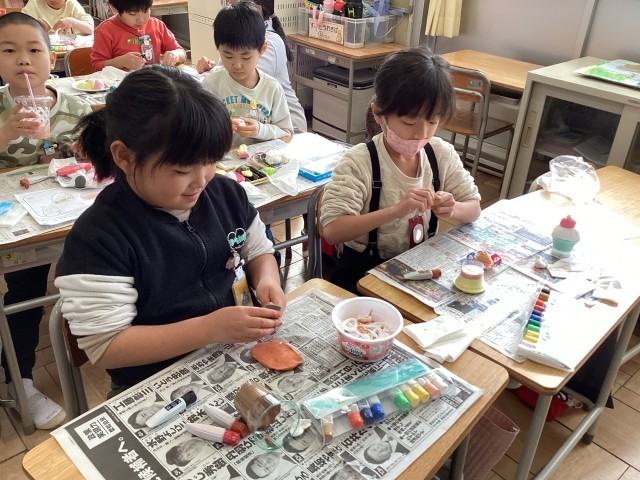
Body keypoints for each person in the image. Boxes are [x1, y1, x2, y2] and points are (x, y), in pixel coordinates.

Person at [54, 65, 285, 395]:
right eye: (181, 170)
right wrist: (209, 329)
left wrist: (267, 281)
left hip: (231, 355)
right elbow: (107, 346)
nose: (201, 180)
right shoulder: (99, 238)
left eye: (211, 161)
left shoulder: (225, 195)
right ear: (124, 157)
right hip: (152, 384)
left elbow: (259, 251)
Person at [320, 47, 482, 294]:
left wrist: (453, 208)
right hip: (364, 273)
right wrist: (394, 211)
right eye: (409, 122)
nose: (421, 133)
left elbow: (474, 208)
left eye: (432, 121)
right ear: (378, 113)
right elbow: (332, 230)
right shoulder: (360, 162)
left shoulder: (440, 154)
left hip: (420, 265)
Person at [0, 12, 92, 430]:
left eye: (34, 50)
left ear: (51, 59)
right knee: (26, 289)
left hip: (71, 212)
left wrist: (86, 150)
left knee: (104, 270)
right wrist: (5, 133)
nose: (23, 60)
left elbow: (100, 155)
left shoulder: (73, 105)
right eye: (9, 51)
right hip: (18, 224)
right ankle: (20, 380)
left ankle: (110, 343)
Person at [196, 0, 307, 134]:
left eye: (246, 57)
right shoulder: (210, 85)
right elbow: (201, 128)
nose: (237, 65)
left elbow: (286, 131)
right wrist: (220, 127)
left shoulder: (271, 87)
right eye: (228, 56)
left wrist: (260, 130)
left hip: (279, 137)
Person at [90, 0, 185, 72]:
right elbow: (97, 66)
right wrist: (121, 62)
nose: (141, 20)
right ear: (113, 8)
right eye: (133, 14)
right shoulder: (105, 31)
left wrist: (175, 54)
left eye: (145, 11)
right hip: (122, 85)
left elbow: (181, 53)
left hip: (154, 81)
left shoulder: (157, 25)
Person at [22, 0, 94, 34]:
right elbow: (20, 31)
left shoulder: (72, 4)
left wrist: (72, 21)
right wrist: (34, 26)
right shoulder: (34, 4)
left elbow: (90, 29)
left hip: (68, 52)